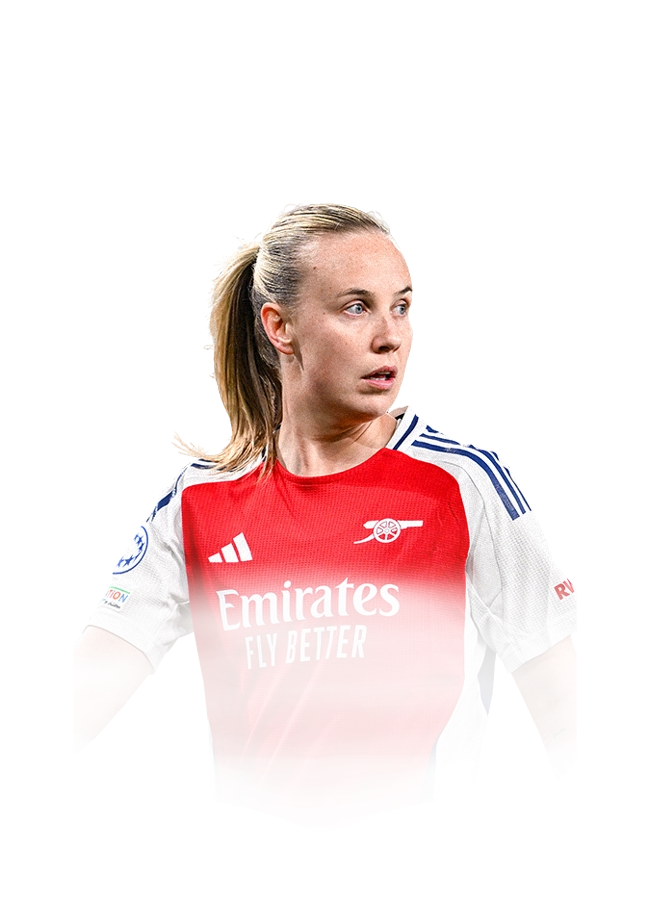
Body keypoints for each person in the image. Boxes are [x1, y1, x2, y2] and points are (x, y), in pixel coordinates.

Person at [73, 204, 577, 830]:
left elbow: (564, 701)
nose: (390, 336)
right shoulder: (197, 501)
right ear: (280, 326)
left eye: (402, 306)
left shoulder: (462, 482)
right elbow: (81, 690)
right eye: (356, 307)